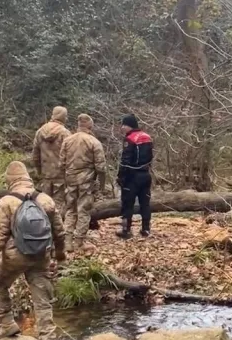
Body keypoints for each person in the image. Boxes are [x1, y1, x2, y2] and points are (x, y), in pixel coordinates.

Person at [0, 161, 66, 340]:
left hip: (15, 257)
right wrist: (59, 254)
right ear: (28, 178)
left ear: (9, 181)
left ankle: (7, 323)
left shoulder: (6, 202)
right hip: (41, 255)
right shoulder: (45, 199)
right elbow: (59, 231)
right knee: (42, 298)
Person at [60, 114, 106, 252]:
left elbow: (61, 164)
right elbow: (101, 168)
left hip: (70, 179)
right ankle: (79, 242)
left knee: (70, 209)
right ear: (90, 125)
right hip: (86, 181)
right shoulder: (94, 142)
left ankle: (67, 241)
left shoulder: (67, 141)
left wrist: (67, 177)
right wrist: (101, 185)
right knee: (83, 210)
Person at [116, 114, 153, 238]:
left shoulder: (130, 139)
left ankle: (126, 230)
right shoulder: (147, 137)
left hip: (132, 176)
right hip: (146, 174)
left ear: (129, 125)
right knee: (145, 203)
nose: (122, 127)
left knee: (127, 203)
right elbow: (150, 157)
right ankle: (146, 229)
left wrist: (121, 176)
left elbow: (125, 160)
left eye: (124, 125)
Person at [33, 106, 71, 213]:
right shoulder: (65, 133)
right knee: (57, 206)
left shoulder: (40, 131)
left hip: (45, 175)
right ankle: (55, 224)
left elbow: (35, 155)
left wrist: (39, 171)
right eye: (65, 116)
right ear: (62, 116)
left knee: (44, 204)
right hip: (61, 176)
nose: (67, 118)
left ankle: (42, 222)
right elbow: (70, 155)